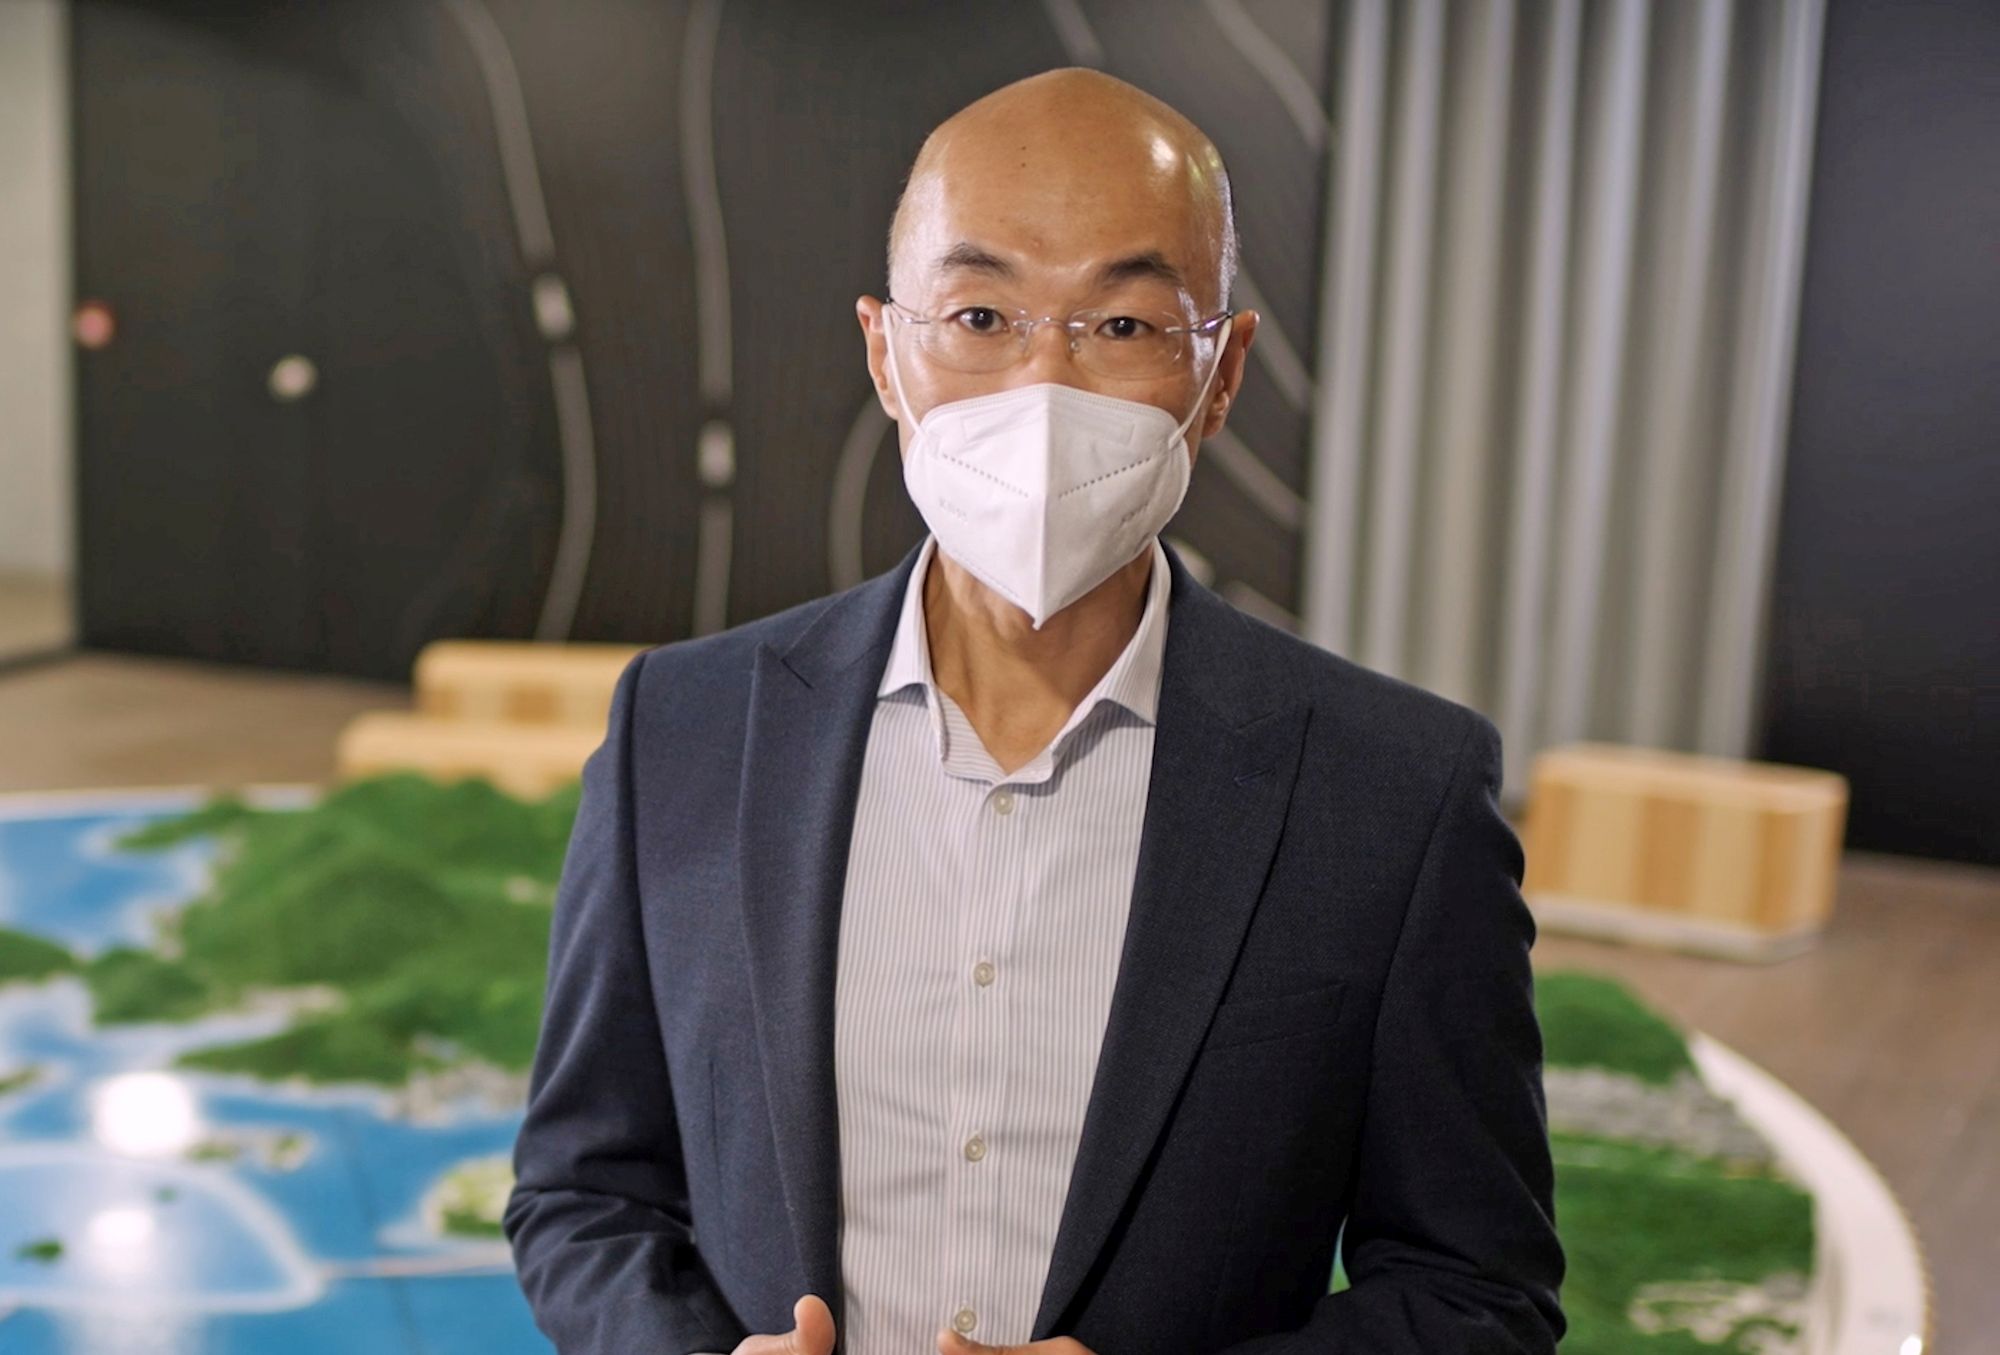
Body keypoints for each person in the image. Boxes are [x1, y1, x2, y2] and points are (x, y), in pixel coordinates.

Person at [504, 67, 1564, 1355]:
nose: (1043, 388)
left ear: (1223, 372)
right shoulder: (684, 730)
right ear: (885, 353)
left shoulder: (1394, 793)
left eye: (1122, 324)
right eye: (980, 314)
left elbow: (1478, 1293)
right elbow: (585, 1194)